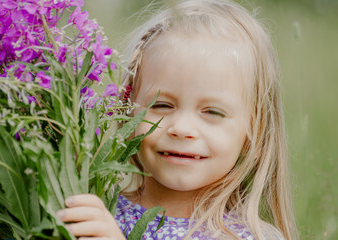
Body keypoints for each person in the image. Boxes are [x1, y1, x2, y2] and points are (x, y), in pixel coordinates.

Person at [56, 0, 298, 239]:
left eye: (212, 112)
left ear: (255, 132)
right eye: (161, 105)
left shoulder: (246, 236)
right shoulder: (98, 211)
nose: (181, 129)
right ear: (127, 110)